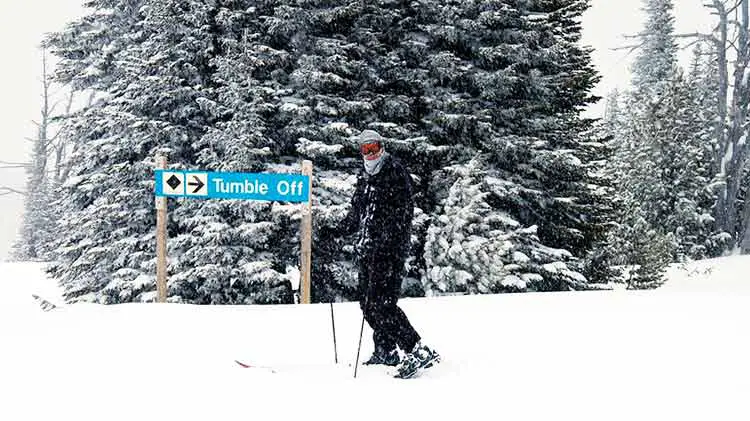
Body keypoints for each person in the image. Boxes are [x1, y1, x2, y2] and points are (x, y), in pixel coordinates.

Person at [331, 129, 440, 378]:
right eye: (365, 150)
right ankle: (386, 349)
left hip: (389, 252)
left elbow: (402, 215)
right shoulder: (365, 176)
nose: (370, 154)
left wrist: (383, 241)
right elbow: (357, 210)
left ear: (382, 147)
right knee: (368, 304)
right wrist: (335, 232)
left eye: (374, 148)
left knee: (383, 304)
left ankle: (417, 349)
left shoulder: (394, 173)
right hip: (368, 250)